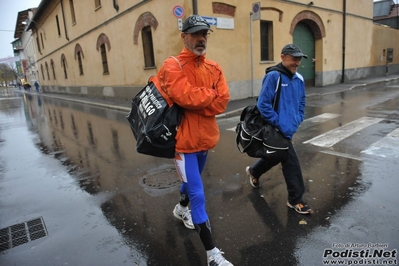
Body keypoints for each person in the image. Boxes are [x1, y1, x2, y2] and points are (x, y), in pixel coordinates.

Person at [153, 15, 233, 266]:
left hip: (206, 141)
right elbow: (182, 95)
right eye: (195, 34)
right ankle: (212, 255)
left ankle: (180, 209)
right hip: (183, 145)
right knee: (198, 193)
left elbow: (223, 101)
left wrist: (197, 101)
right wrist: (207, 96)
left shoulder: (214, 68)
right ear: (184, 36)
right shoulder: (172, 65)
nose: (201, 39)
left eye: (204, 34)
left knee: (190, 186)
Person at [245, 43, 313, 215]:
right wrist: (279, 123)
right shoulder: (274, 76)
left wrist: (298, 118)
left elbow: (302, 102)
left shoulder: (299, 79)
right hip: (275, 128)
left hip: (289, 128)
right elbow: (263, 104)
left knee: (277, 154)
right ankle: (296, 200)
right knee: (291, 162)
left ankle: (254, 171)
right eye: (293, 58)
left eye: (298, 59)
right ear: (283, 57)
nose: (296, 63)